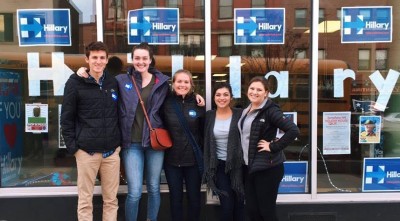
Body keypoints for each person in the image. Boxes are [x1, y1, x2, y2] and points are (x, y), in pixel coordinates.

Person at [76, 43, 205, 221]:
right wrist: (83, 70)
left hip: (155, 144)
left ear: (150, 60)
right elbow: (100, 77)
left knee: (153, 188)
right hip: (132, 144)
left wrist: (195, 95)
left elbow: (180, 93)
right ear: (132, 59)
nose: (141, 61)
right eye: (137, 58)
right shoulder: (122, 80)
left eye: (144, 58)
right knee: (135, 192)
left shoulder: (161, 83)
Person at [61, 41, 121, 221]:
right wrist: (75, 148)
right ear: (87, 59)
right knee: (85, 201)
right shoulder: (75, 83)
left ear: (107, 60)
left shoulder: (113, 82)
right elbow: (66, 118)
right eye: (94, 57)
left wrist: (118, 147)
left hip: (111, 153)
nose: (98, 61)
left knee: (111, 200)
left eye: (102, 58)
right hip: (87, 152)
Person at [238, 76, 299, 221]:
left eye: (259, 89)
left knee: (266, 211)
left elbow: (293, 130)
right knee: (252, 210)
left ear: (266, 93)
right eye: (252, 88)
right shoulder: (247, 109)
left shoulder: (270, 110)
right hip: (250, 167)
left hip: (268, 168)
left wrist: (272, 146)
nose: (254, 92)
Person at [161, 69, 206, 221]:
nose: (182, 84)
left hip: (193, 161)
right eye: (179, 81)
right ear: (173, 84)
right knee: (175, 199)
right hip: (171, 161)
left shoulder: (198, 103)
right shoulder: (165, 102)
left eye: (186, 82)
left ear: (191, 85)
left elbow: (203, 132)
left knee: (194, 199)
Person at [203, 83, 245, 221]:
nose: (222, 98)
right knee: (227, 206)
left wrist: (271, 144)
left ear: (231, 97)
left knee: (239, 205)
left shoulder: (240, 114)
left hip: (239, 166)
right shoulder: (209, 116)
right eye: (218, 95)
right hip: (219, 166)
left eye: (226, 94)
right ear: (214, 97)